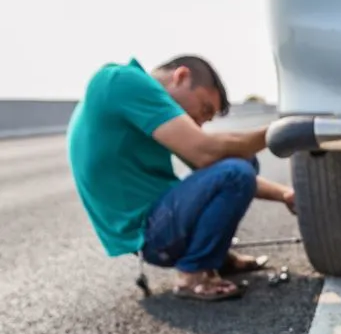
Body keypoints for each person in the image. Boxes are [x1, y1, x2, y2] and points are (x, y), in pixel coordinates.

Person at [67, 55, 295, 301]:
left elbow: (217, 169)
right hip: (150, 232)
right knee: (236, 168)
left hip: (159, 224)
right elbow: (208, 153)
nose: (197, 123)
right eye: (204, 110)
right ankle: (194, 273)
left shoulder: (137, 101)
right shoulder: (121, 80)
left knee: (239, 164)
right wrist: (281, 130)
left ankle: (214, 256)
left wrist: (285, 194)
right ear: (181, 76)